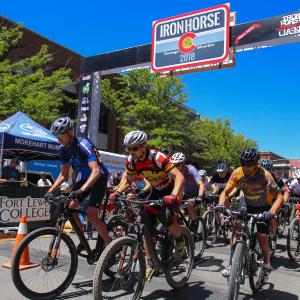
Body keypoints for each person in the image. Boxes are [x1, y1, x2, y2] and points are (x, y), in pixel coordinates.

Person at [108, 130, 185, 281]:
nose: (131, 152)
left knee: (166, 216)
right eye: (128, 149)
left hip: (172, 189)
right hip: (157, 191)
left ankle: (179, 240)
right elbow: (127, 180)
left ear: (144, 146)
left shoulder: (157, 157)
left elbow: (179, 176)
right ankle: (150, 262)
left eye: (135, 148)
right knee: (143, 222)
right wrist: (117, 191)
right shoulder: (131, 161)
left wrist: (173, 195)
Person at [217, 147, 283, 285]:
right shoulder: (237, 172)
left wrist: (271, 212)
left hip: (264, 206)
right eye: (243, 164)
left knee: (262, 238)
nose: (246, 167)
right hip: (246, 202)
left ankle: (266, 266)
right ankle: (232, 264)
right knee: (236, 230)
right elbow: (225, 191)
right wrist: (221, 204)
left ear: (256, 163)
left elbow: (280, 197)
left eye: (249, 164)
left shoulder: (265, 175)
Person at [45, 116, 111, 245]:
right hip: (86, 178)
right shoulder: (62, 149)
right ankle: (83, 240)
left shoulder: (83, 145)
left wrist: (81, 190)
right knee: (70, 208)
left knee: (91, 215)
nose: (58, 139)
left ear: (70, 133)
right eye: (56, 136)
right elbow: (64, 174)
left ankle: (110, 245)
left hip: (99, 178)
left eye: (60, 136)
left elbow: (96, 171)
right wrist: (50, 190)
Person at [170, 152, 205, 230]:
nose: (174, 167)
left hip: (196, 192)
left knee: (189, 204)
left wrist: (199, 196)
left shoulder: (191, 169)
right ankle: (183, 229)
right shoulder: (173, 172)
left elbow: (201, 184)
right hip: (185, 193)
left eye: (177, 165)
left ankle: (194, 222)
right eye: (173, 165)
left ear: (183, 163)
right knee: (179, 211)